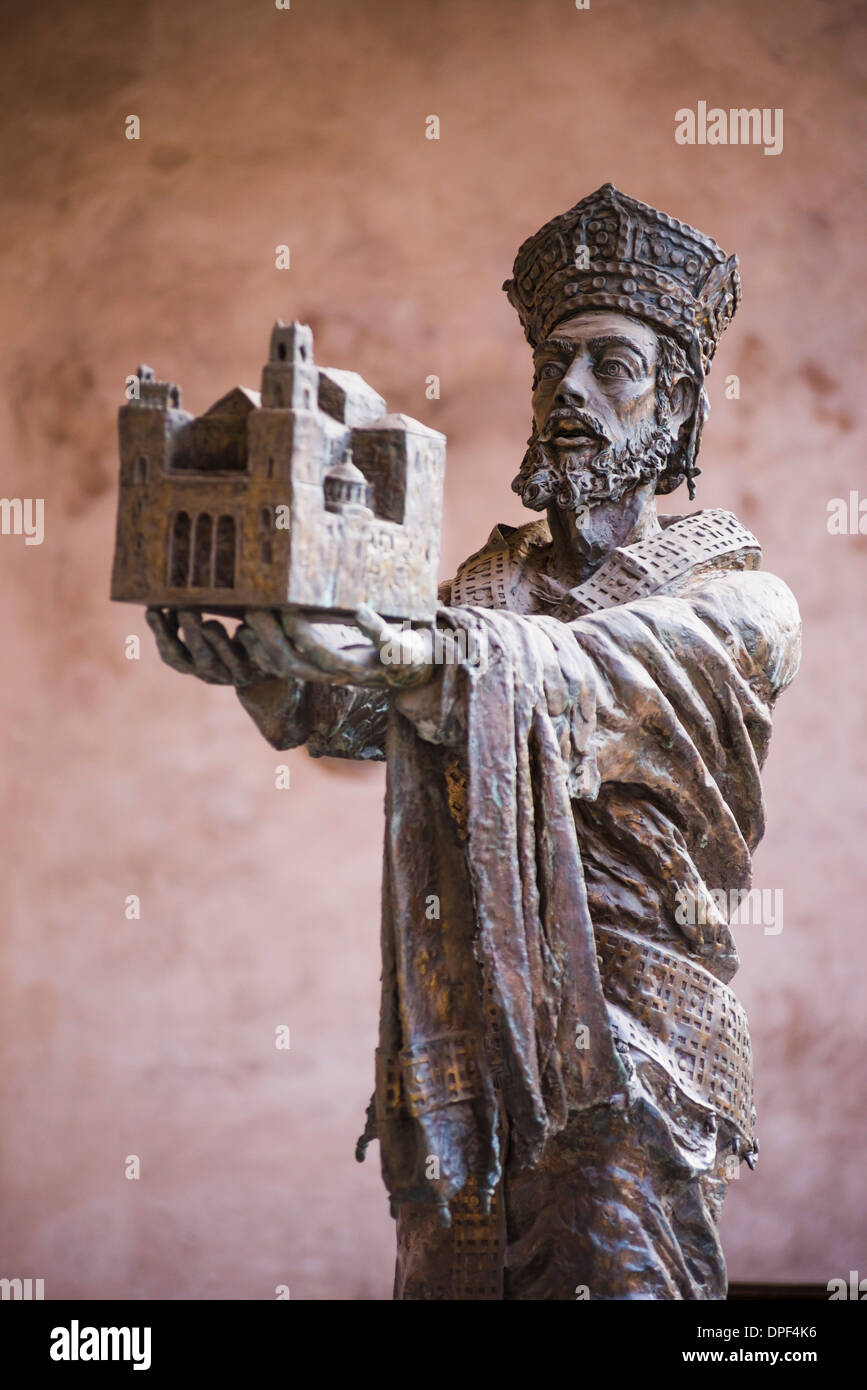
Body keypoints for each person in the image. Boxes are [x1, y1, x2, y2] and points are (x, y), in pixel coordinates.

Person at [148, 184, 800, 1299]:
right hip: (464, 1050)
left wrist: (418, 652)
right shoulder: (483, 591)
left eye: (612, 365)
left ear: (677, 404)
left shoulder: (739, 605)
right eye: (554, 366)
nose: (572, 392)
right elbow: (386, 706)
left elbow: (587, 677)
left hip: (636, 1055)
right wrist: (267, 660)